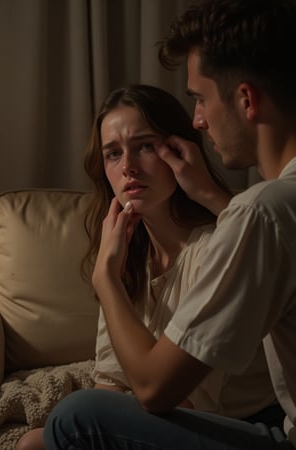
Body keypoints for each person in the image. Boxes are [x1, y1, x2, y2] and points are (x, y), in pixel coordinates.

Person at [43, 0, 296, 438]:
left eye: (200, 98)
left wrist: (106, 280)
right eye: (113, 154)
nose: (199, 120)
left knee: (73, 417)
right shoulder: (259, 212)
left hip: (261, 425)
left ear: (246, 99)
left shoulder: (255, 217)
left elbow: (156, 390)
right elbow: (112, 382)